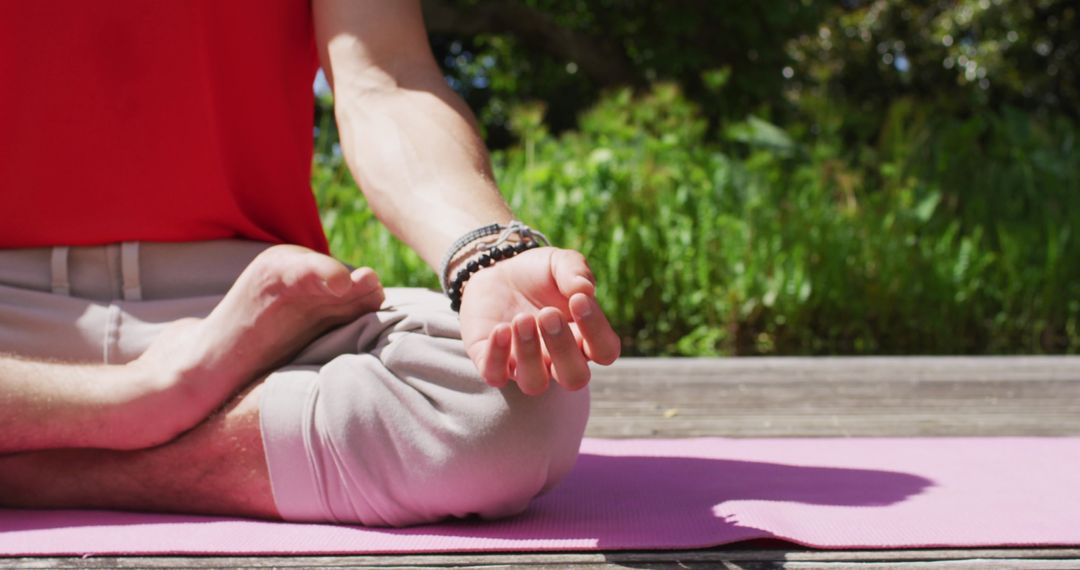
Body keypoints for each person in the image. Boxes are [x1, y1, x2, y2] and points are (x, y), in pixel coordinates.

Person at [0, 0, 620, 526]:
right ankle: (141, 404)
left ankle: (33, 468)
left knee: (514, 393)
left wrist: (483, 251)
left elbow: (386, 79)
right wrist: (152, 392)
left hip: (252, 318)